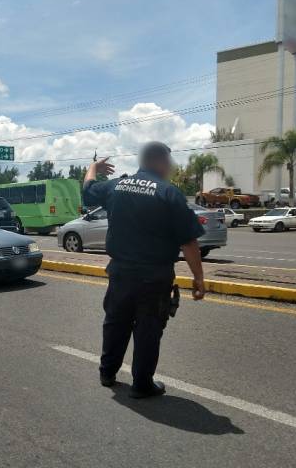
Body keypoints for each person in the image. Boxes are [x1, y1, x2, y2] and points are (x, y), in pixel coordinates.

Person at [82, 141, 205, 399]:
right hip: (154, 277)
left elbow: (88, 189)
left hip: (120, 274)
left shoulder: (116, 186)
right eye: (168, 162)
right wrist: (198, 278)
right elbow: (189, 242)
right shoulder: (168, 193)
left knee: (116, 323)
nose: (170, 167)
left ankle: (107, 373)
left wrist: (93, 167)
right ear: (159, 161)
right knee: (148, 329)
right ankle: (142, 384)